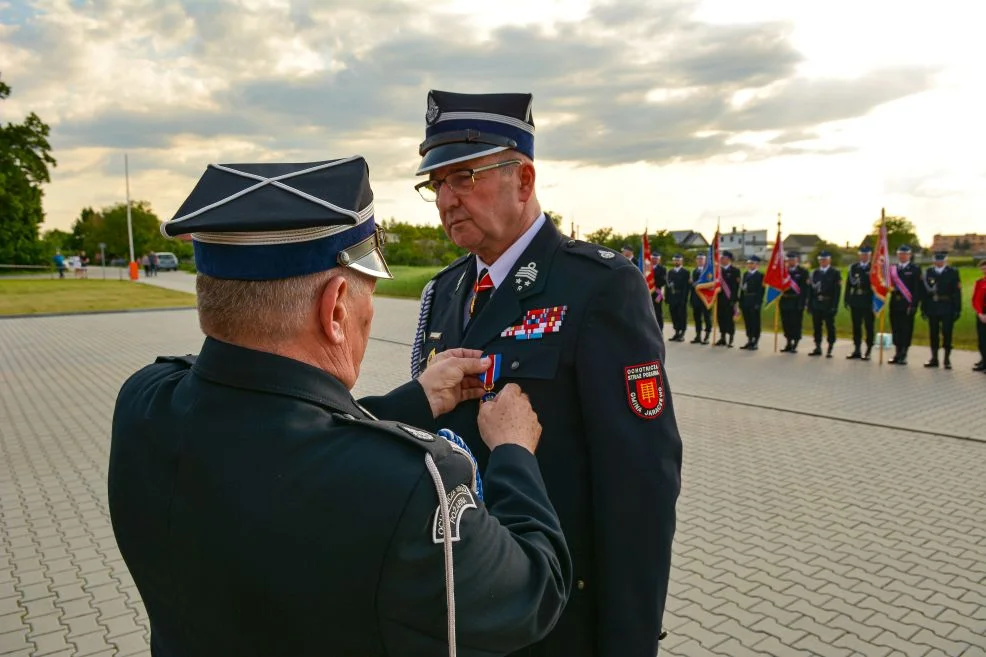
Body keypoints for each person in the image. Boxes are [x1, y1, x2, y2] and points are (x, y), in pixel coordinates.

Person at [108, 157, 572, 657]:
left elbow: (279, 432)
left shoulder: (144, 399)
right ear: (334, 310)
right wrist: (513, 454)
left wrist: (414, 401)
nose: (371, 312)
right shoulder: (411, 489)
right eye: (366, 292)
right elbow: (533, 595)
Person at [409, 90, 682, 657]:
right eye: (435, 183)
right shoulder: (445, 291)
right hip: (457, 602)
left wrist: (627, 638)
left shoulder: (599, 286)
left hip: (552, 612)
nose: (445, 199)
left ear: (524, 179)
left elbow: (640, 485)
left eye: (463, 176)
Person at [921, 251, 962, 369]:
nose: (939, 262)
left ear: (945, 261)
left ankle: (947, 359)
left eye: (941, 260)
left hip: (947, 306)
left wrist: (957, 309)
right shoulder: (929, 272)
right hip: (932, 306)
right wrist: (923, 308)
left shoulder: (952, 272)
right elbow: (924, 292)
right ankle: (934, 358)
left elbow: (957, 292)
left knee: (947, 333)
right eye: (937, 260)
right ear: (933, 261)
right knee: (933, 333)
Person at [888, 244, 924, 365]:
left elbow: (917, 289)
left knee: (906, 329)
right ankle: (897, 352)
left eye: (905, 254)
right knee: (896, 328)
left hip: (907, 304)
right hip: (895, 303)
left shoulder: (915, 269)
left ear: (909, 255)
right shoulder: (893, 269)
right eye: (900, 254)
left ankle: (904, 353)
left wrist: (914, 305)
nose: (902, 256)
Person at [807, 250, 841, 358]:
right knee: (817, 326)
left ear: (829, 260)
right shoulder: (814, 273)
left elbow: (837, 292)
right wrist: (809, 305)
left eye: (825, 259)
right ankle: (817, 347)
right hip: (816, 302)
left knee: (830, 327)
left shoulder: (835, 273)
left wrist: (834, 306)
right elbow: (810, 291)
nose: (823, 262)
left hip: (828, 303)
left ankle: (830, 347)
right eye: (821, 260)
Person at [844, 245, 875, 360]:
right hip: (856, 300)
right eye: (862, 254)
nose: (864, 256)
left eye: (866, 255)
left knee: (869, 326)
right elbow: (848, 284)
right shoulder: (854, 267)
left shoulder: (874, 268)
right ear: (859, 255)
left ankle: (868, 349)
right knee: (856, 326)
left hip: (868, 301)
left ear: (870, 256)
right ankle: (857, 349)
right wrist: (846, 299)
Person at [779, 251, 809, 353]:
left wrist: (803, 303)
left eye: (793, 259)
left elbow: (805, 289)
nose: (790, 262)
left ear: (797, 260)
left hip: (796, 300)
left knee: (795, 323)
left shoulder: (803, 272)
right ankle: (788, 342)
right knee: (786, 322)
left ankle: (795, 343)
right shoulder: (783, 272)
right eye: (789, 260)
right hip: (785, 300)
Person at [739, 255, 764, 350]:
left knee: (755, 322)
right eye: (749, 263)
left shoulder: (760, 276)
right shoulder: (745, 275)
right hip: (746, 300)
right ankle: (749, 339)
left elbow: (761, 291)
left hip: (754, 301)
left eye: (752, 263)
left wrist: (758, 303)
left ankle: (755, 341)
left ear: (757, 265)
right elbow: (742, 289)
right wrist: (741, 301)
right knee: (748, 321)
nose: (750, 265)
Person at [715, 250, 740, 347]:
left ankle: (731, 337)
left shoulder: (735, 271)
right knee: (720, 318)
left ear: (728, 259)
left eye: (723, 258)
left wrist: (733, 300)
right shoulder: (718, 271)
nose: (721, 260)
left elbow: (735, 287)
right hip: (719, 299)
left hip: (729, 299)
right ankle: (722, 337)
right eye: (721, 258)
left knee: (729, 319)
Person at [666, 253, 691, 342]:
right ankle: (676, 332)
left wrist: (684, 299)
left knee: (682, 315)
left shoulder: (685, 272)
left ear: (681, 261)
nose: (676, 261)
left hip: (681, 296)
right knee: (674, 315)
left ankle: (682, 333)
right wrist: (667, 298)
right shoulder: (670, 272)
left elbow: (686, 287)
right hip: (672, 297)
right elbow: (667, 286)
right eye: (675, 260)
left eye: (678, 260)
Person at [690, 252, 712, 344]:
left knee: (707, 317)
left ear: (705, 260)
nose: (700, 261)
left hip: (706, 298)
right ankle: (698, 335)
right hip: (696, 299)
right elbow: (692, 287)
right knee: (697, 318)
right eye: (698, 259)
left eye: (702, 259)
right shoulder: (694, 271)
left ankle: (707, 336)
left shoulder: (708, 272)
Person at [972, 258, 986, 373]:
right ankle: (984, 360)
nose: (984, 269)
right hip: (981, 314)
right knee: (982, 340)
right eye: (982, 267)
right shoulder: (979, 282)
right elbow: (975, 299)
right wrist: (980, 313)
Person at [651, 252, 667, 331]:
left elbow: (663, 282)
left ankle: (660, 329)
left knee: (658, 312)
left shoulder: (662, 269)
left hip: (658, 292)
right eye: (653, 258)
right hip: (648, 292)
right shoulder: (647, 268)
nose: (654, 260)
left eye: (656, 259)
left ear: (659, 260)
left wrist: (653, 280)